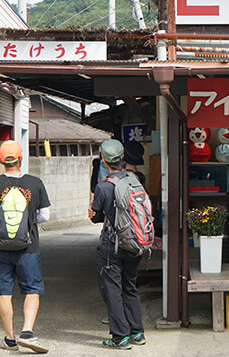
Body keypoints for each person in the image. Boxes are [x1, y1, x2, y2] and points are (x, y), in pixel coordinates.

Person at [0, 140, 51, 353]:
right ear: (20, 158)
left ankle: (10, 340)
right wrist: (29, 219)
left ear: (1, 161)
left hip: (0, 249)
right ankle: (27, 332)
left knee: (4, 293)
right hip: (29, 248)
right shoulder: (35, 183)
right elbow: (45, 215)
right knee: (32, 290)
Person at [88, 139, 146, 350]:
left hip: (112, 245)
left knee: (112, 289)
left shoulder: (104, 187)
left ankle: (120, 336)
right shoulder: (136, 180)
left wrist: (93, 214)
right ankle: (137, 332)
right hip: (135, 242)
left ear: (104, 160)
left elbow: (97, 217)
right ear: (122, 158)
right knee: (129, 286)